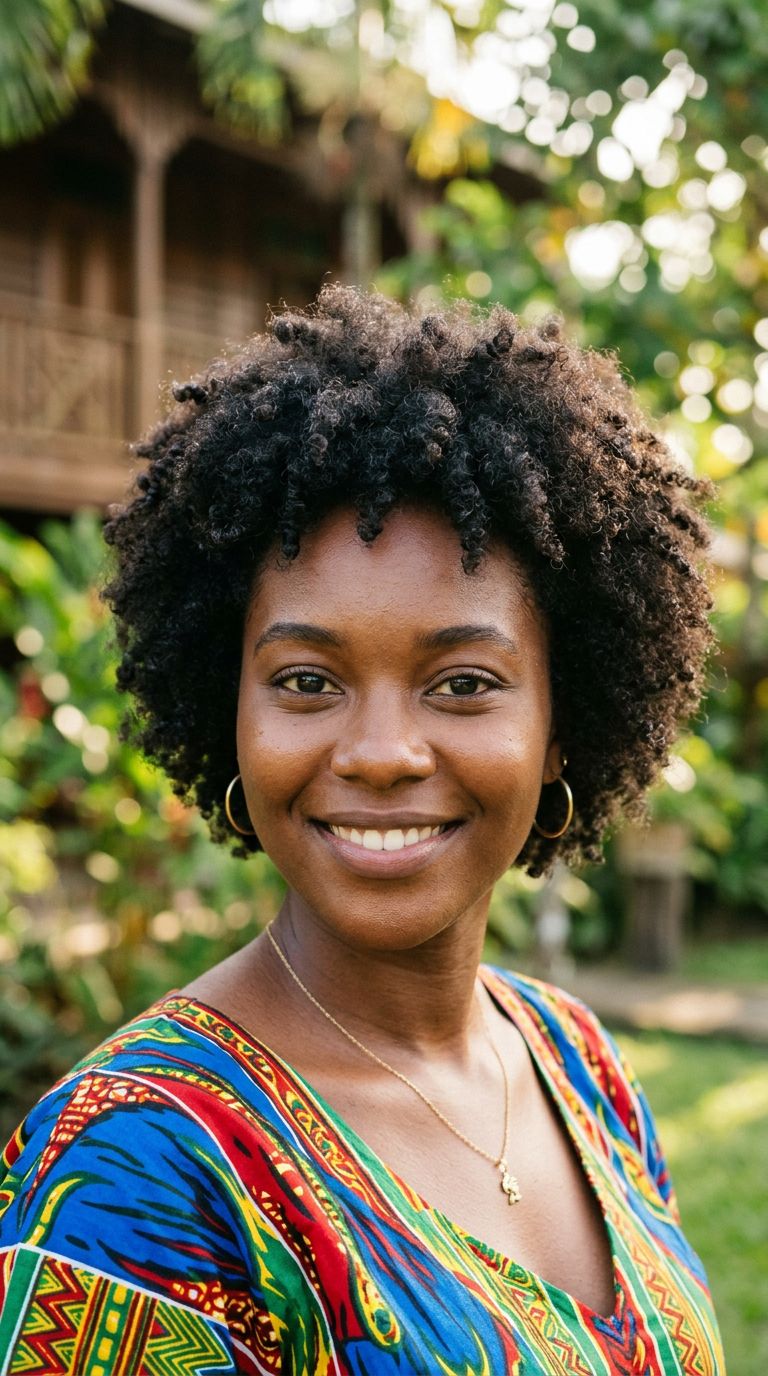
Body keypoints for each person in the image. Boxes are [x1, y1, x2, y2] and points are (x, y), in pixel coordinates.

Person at [0, 286, 724, 1374]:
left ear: (560, 725)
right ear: (228, 710)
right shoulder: (139, 1167)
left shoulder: (579, 1062)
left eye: (464, 682)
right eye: (306, 680)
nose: (382, 752)